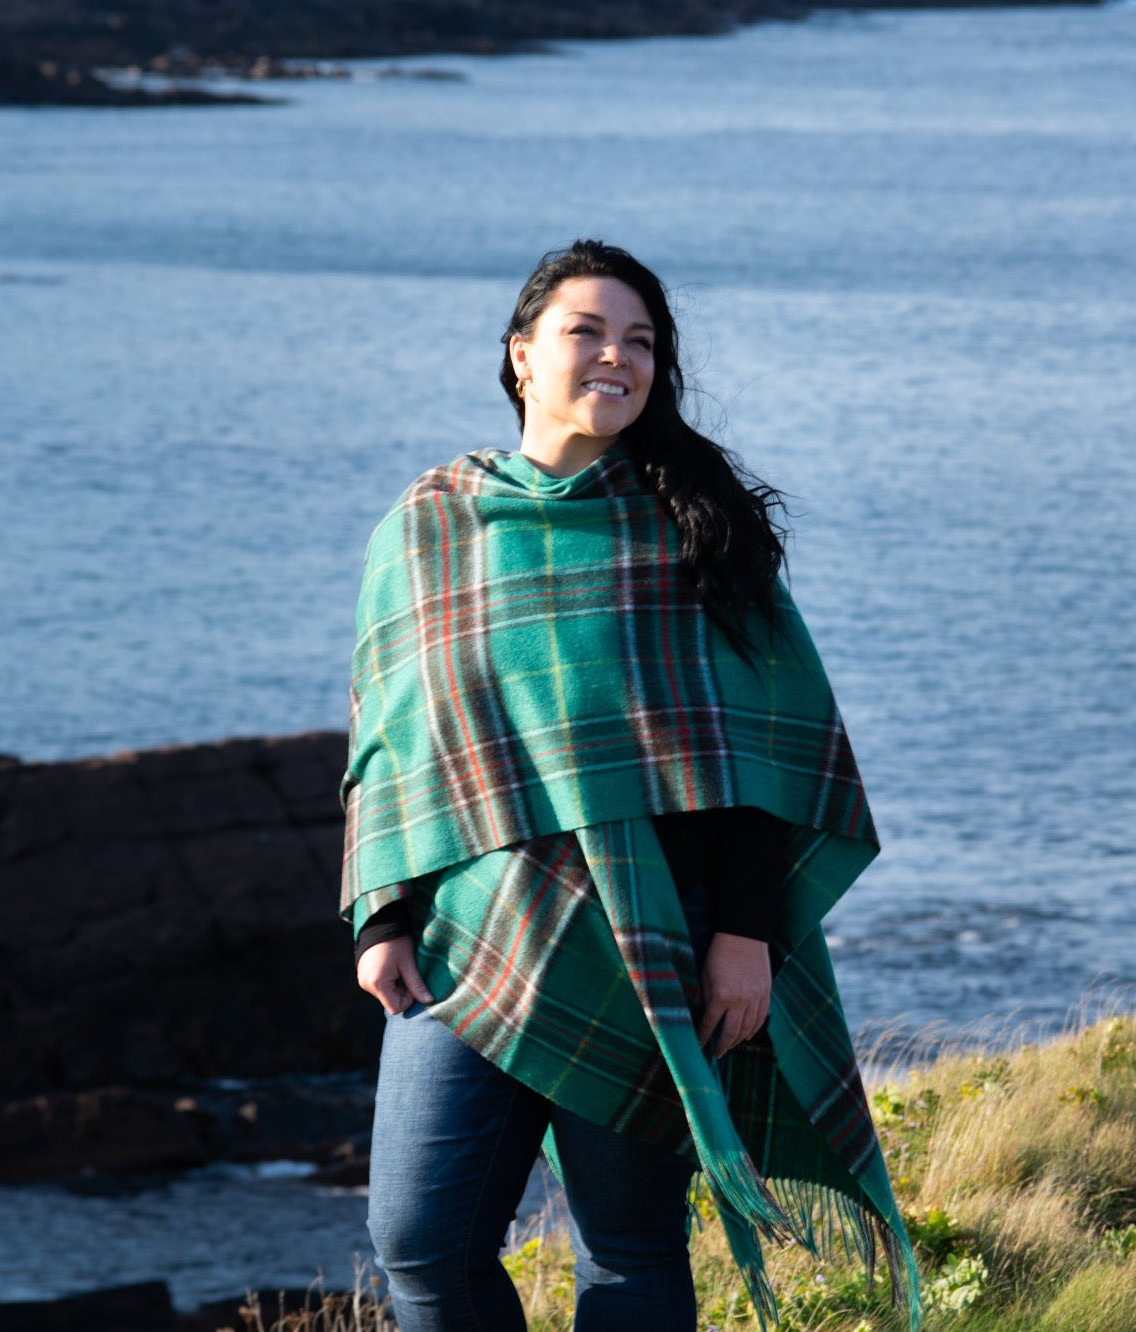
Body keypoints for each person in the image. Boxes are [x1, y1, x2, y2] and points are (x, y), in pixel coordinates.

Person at [340, 240, 920, 1331]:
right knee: (420, 1242)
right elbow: (388, 738)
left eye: (641, 341)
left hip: (650, 940)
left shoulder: (697, 532)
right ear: (521, 355)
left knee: (630, 1253)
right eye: (588, 332)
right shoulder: (430, 523)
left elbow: (769, 750)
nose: (618, 357)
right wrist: (380, 911)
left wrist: (743, 934)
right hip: (471, 931)